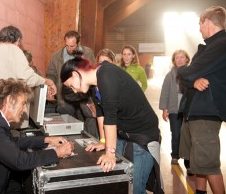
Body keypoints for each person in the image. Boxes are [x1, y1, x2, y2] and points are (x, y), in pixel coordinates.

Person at [60, 55, 164, 194]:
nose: (74, 90)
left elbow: (110, 117)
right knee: (121, 184)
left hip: (141, 137)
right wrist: (103, 141)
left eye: (71, 86)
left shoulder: (106, 74)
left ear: (75, 74)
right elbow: (100, 113)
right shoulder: (95, 84)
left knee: (135, 189)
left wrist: (110, 152)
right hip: (123, 135)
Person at [177, 6, 226, 194]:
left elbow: (187, 71)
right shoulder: (208, 47)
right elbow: (189, 78)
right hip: (196, 111)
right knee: (198, 161)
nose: (198, 28)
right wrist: (193, 81)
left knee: (208, 163)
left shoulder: (221, 44)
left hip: (207, 112)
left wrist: (182, 71)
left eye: (199, 23)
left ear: (207, 21)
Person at [0, 25, 56, 107]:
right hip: (5, 107)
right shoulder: (13, 49)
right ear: (18, 40)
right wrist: (47, 81)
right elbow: (28, 78)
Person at [46, 30, 98, 138]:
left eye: (72, 46)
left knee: (90, 118)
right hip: (65, 96)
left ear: (78, 43)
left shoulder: (88, 53)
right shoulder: (56, 56)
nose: (69, 49)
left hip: (84, 95)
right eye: (67, 45)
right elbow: (51, 74)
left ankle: (90, 141)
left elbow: (94, 72)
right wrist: (51, 85)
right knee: (65, 121)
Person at [159, 50, 190, 166]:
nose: (180, 59)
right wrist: (164, 109)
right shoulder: (170, 75)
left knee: (187, 134)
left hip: (188, 110)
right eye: (177, 58)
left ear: (187, 59)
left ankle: (188, 159)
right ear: (174, 61)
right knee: (176, 133)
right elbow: (165, 92)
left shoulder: (192, 72)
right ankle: (175, 156)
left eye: (182, 57)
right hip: (174, 110)